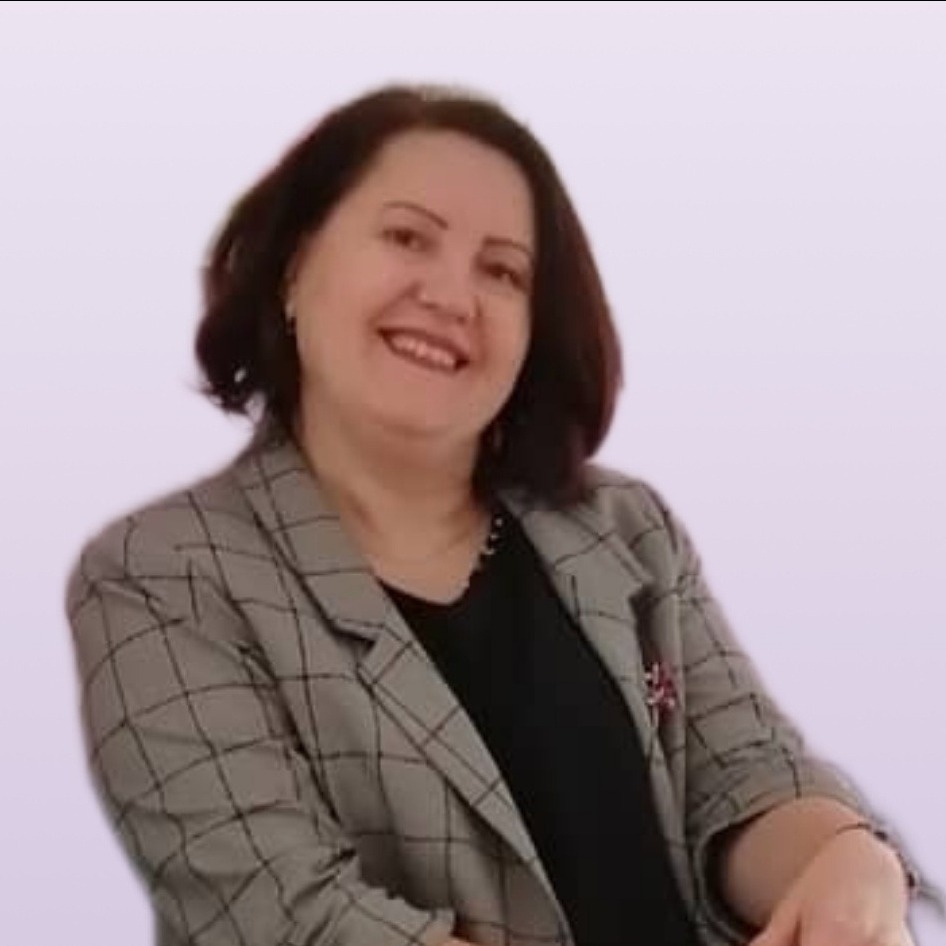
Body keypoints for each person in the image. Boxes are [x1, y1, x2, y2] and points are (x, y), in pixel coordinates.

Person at [65, 82, 937, 946]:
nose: (453, 297)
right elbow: (297, 921)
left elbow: (743, 775)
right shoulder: (162, 576)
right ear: (294, 268)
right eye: (408, 237)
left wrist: (846, 859)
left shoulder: (623, 529)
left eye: (503, 271)